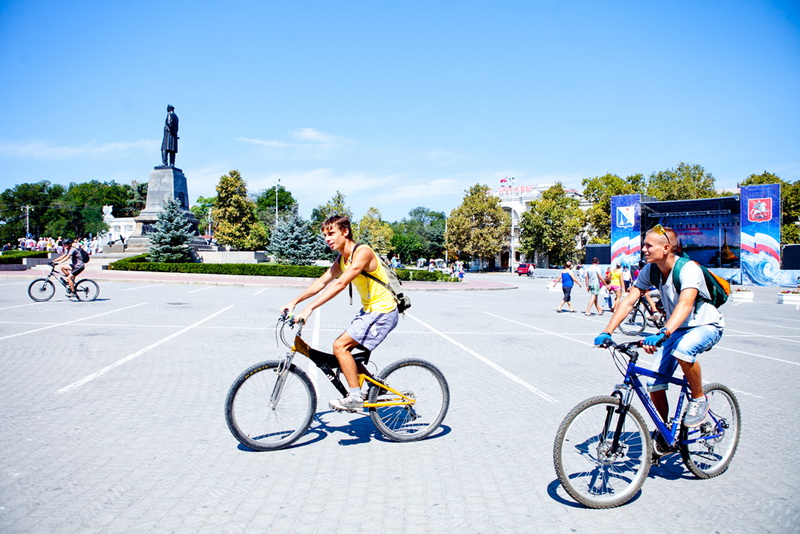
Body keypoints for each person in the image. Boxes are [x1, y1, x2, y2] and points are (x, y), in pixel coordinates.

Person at [594, 225, 724, 436]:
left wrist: (663, 333)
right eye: (643, 245)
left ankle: (699, 398)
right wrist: (607, 331)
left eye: (648, 245)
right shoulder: (650, 270)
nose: (643, 249)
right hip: (676, 329)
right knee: (654, 384)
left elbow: (685, 304)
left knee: (684, 349)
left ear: (666, 248)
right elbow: (629, 301)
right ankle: (665, 432)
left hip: (705, 325)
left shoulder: (689, 269)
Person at [282, 215, 399, 412]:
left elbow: (341, 283)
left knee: (340, 346)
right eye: (325, 235)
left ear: (345, 232)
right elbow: (322, 282)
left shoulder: (362, 252)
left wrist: (310, 308)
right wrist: (294, 302)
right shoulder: (342, 258)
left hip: (383, 311)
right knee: (344, 354)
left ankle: (355, 397)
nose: (327, 239)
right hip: (369, 310)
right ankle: (376, 387)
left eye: (331, 233)